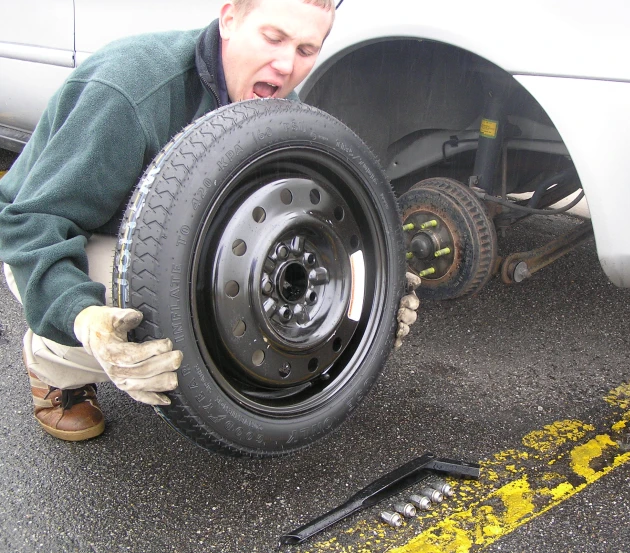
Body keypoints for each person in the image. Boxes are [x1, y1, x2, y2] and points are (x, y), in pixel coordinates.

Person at [0, 0, 420, 443]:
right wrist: (79, 315)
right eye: (273, 38)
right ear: (230, 19)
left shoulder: (277, 108)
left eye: (305, 49)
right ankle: (53, 359)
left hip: (186, 244)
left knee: (204, 301)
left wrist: (373, 300)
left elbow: (320, 228)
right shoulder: (129, 93)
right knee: (147, 310)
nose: (285, 65)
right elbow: (29, 221)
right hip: (79, 238)